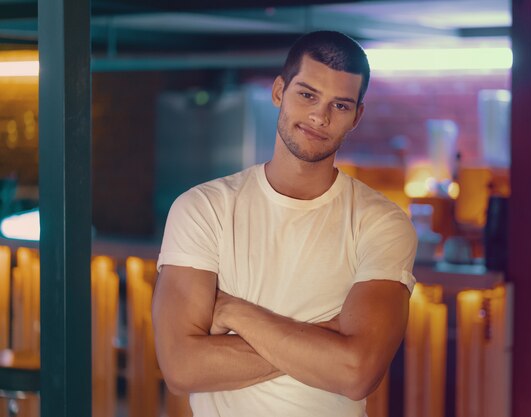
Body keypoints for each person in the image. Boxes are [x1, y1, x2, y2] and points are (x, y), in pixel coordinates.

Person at [152, 30, 417, 417]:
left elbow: (357, 371)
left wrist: (232, 313)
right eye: (307, 95)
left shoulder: (381, 223)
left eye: (340, 105)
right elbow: (181, 367)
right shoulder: (203, 208)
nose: (319, 116)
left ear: (357, 116)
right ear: (279, 91)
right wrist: (324, 340)